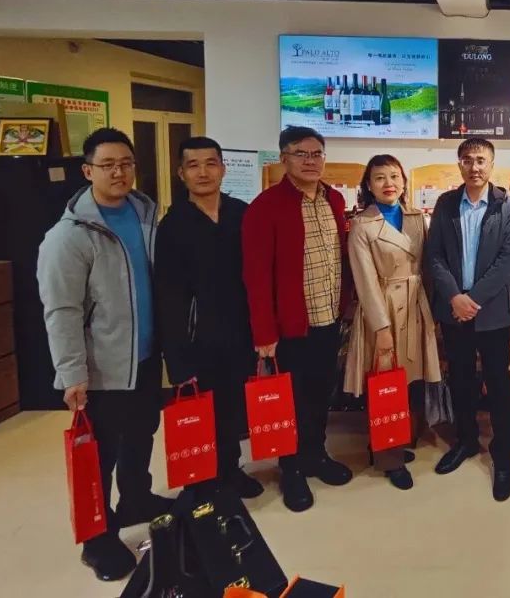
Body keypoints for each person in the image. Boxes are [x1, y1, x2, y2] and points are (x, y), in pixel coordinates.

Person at [37, 128, 172, 582]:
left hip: (145, 358)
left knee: (141, 435)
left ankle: (136, 498)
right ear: (87, 170)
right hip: (102, 369)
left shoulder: (144, 212)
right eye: (108, 164)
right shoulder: (69, 236)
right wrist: (71, 373)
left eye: (126, 163)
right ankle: (97, 541)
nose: (119, 172)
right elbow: (61, 311)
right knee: (100, 456)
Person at [242, 126, 354, 513]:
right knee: (289, 401)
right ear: (284, 159)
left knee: (321, 393)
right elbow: (256, 276)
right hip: (290, 326)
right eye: (300, 153)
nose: (310, 161)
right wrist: (264, 332)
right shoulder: (265, 207)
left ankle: (315, 455)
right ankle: (289, 468)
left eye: (316, 153)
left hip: (329, 318)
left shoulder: (334, 199)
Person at [154, 137, 263, 499]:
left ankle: (231, 470)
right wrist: (176, 358)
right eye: (193, 165)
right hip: (197, 338)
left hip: (240, 333)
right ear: (181, 173)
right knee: (202, 412)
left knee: (233, 409)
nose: (203, 172)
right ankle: (202, 482)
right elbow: (168, 296)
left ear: (223, 168)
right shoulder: (173, 226)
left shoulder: (241, 214)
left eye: (210, 163)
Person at [425, 138, 510, 501]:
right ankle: (466, 440)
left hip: (491, 313)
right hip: (454, 311)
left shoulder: (506, 206)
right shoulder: (446, 204)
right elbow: (434, 256)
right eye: (467, 160)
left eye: (481, 160)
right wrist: (455, 296)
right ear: (459, 165)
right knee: (461, 379)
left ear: (491, 165)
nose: (474, 166)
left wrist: (473, 299)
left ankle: (502, 452)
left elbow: (507, 261)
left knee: (498, 383)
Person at [343, 154, 442, 490]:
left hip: (414, 306)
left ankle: (393, 443)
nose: (389, 184)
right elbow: (365, 281)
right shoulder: (362, 224)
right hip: (382, 309)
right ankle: (388, 459)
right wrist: (381, 328)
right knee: (385, 385)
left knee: (409, 382)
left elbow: (426, 267)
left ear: (403, 181)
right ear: (369, 186)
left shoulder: (415, 217)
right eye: (380, 177)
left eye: (395, 176)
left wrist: (430, 312)